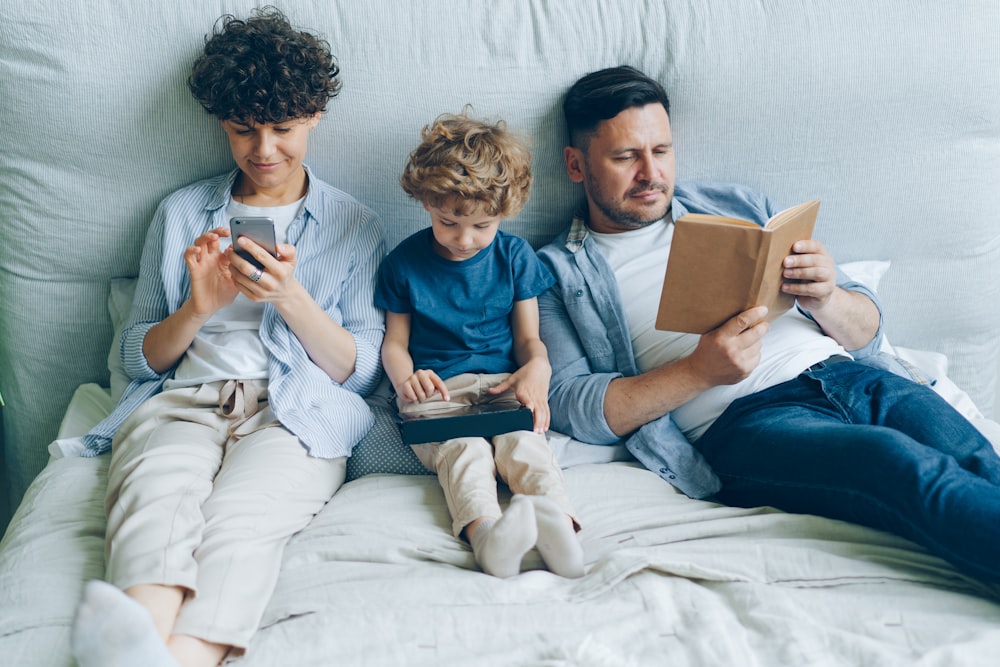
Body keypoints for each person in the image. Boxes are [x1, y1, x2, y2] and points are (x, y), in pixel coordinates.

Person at [537, 65, 1000, 583]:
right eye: (626, 157)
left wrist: (826, 296)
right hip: (748, 423)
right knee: (900, 464)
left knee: (976, 458)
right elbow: (572, 404)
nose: (651, 174)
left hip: (848, 374)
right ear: (576, 165)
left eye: (661, 151)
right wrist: (700, 371)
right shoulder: (555, 271)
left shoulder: (738, 205)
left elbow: (868, 333)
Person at [70, 8, 384, 667]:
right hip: (185, 400)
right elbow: (134, 358)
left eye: (283, 129)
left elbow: (359, 371)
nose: (264, 150)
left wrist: (291, 299)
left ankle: (168, 657)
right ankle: (135, 643)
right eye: (244, 130)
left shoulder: (354, 226)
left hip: (292, 412)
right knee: (153, 503)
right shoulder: (183, 211)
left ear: (315, 116)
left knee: (243, 528)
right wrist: (196, 308)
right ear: (222, 123)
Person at [376, 111, 584, 579]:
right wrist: (406, 378)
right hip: (437, 395)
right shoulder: (403, 264)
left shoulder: (514, 257)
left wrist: (537, 369)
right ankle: (487, 535)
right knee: (465, 450)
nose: (464, 239)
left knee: (524, 447)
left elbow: (530, 339)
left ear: (504, 216)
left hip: (501, 387)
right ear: (426, 202)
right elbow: (395, 343)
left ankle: (560, 531)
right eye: (449, 222)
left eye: (482, 226)